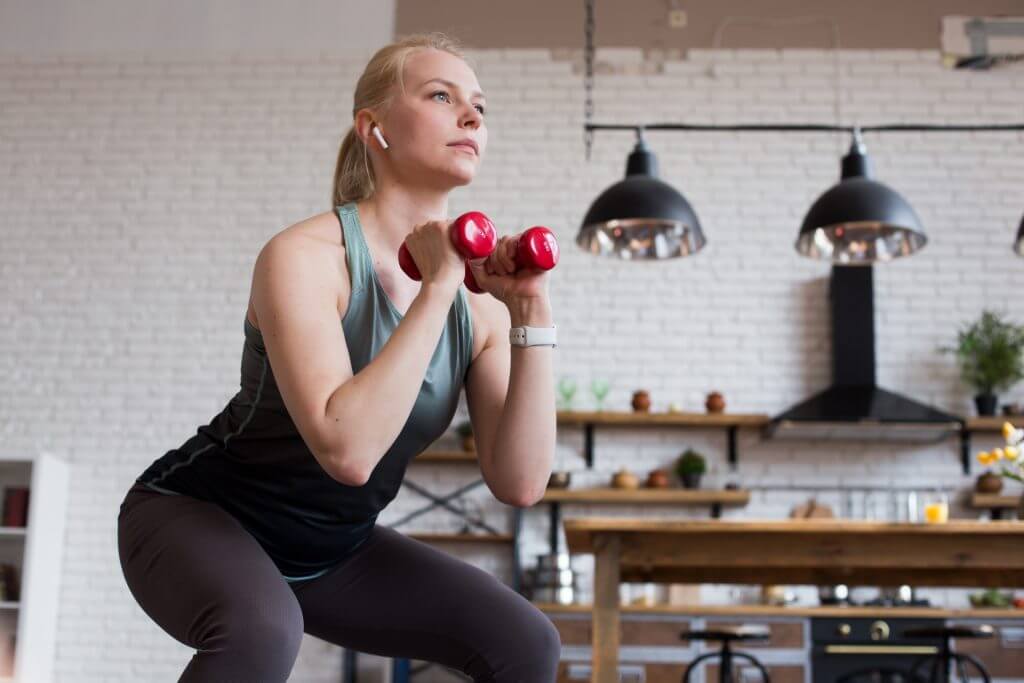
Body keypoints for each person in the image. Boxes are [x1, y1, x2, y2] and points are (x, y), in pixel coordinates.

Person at [117, 32, 561, 682]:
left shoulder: (482, 308)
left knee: (525, 641)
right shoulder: (304, 258)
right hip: (196, 516)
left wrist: (531, 312)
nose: (470, 116)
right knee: (263, 628)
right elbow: (348, 451)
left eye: (480, 106)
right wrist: (437, 285)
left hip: (332, 552)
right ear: (374, 128)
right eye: (442, 96)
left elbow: (520, 482)